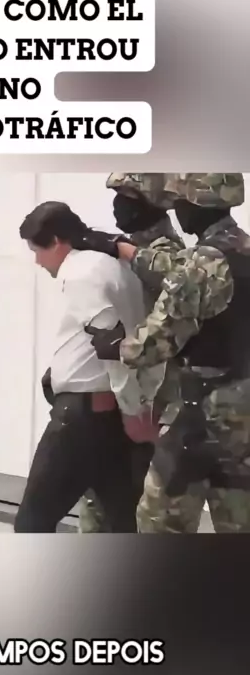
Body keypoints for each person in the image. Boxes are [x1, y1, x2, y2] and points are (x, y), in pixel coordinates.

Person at [86, 173, 250, 533]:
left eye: (180, 202)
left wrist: (117, 346)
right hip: (243, 413)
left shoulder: (202, 263)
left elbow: (160, 338)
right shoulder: (244, 250)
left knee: (160, 523)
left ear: (195, 204)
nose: (176, 210)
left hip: (200, 415)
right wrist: (126, 250)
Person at [14, 200, 161, 533]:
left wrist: (132, 411)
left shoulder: (80, 273)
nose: (38, 262)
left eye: (37, 251)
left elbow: (112, 343)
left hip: (85, 418)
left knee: (32, 524)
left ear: (56, 242)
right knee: (124, 523)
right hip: (109, 414)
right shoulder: (113, 264)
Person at [79, 173, 185, 533]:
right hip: (115, 388)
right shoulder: (123, 246)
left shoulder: (170, 252)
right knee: (99, 496)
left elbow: (174, 280)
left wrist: (121, 249)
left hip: (152, 398)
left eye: (127, 195)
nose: (118, 204)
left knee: (140, 501)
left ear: (151, 202)